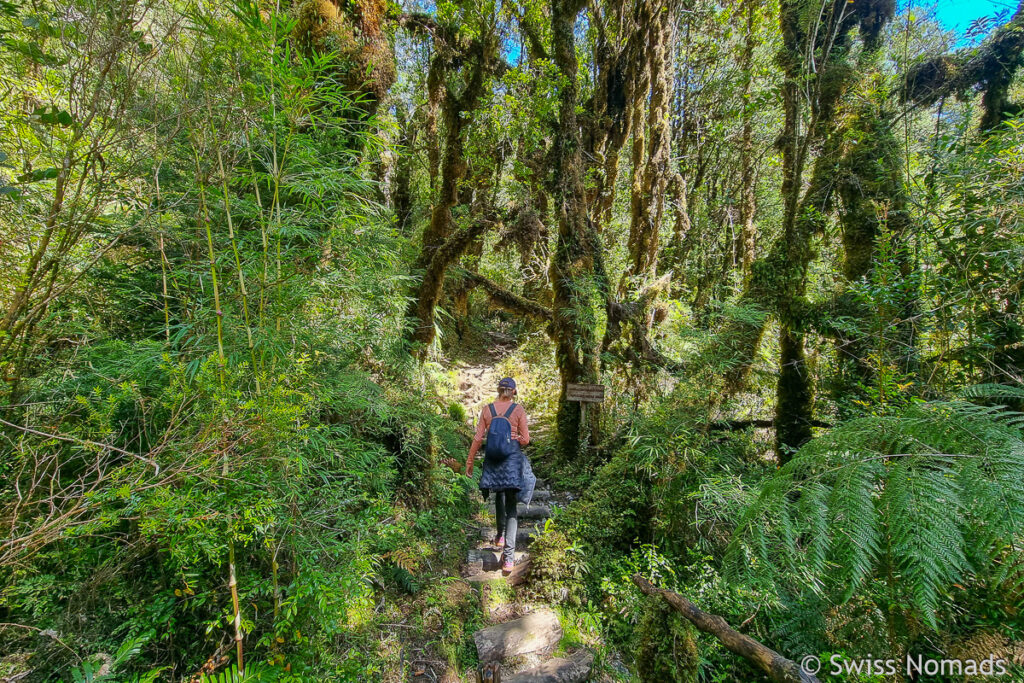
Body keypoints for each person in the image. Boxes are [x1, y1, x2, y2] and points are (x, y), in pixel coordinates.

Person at [464, 377, 530, 573]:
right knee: (511, 506)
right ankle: (508, 558)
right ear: (514, 392)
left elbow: (478, 438)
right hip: (511, 460)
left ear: (498, 390)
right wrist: (515, 437)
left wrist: (470, 461)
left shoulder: (487, 410)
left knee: (499, 494)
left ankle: (500, 535)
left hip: (493, 460)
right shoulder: (517, 410)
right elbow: (526, 440)